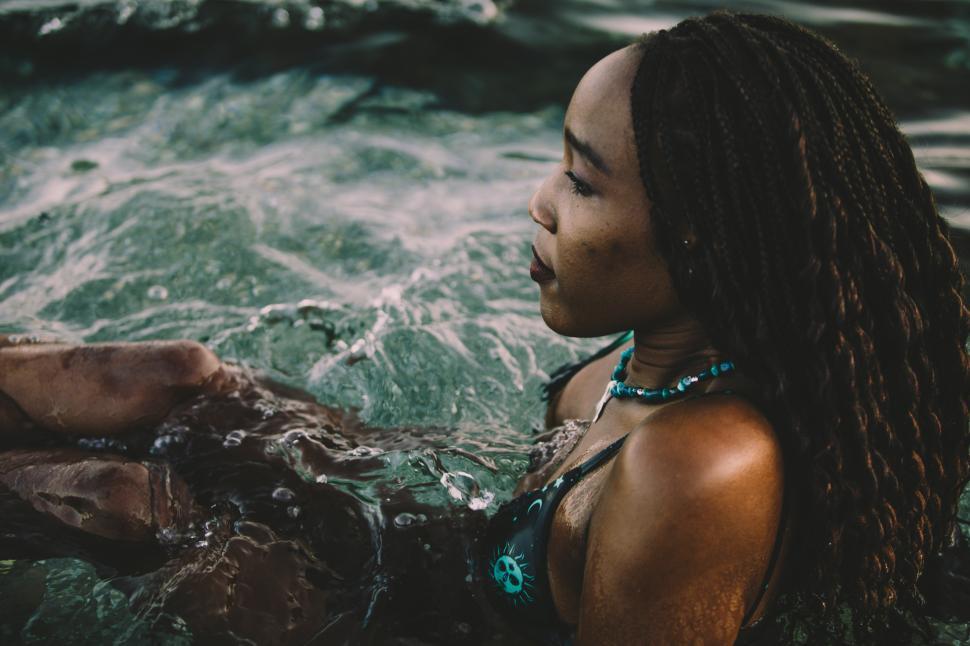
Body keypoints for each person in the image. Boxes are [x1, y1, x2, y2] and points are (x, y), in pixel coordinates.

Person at [1, 10, 968, 645]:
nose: (539, 202)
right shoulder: (636, 362)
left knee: (125, 503)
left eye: (582, 182)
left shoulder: (702, 467)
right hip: (435, 558)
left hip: (394, 624)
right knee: (167, 377)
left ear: (704, 241)